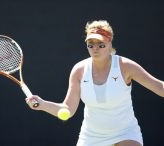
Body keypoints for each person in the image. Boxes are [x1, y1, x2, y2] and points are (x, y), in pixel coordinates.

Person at [25, 20, 164, 146]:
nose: (95, 48)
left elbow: (160, 88)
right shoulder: (79, 70)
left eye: (101, 44)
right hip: (91, 136)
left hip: (126, 133)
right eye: (90, 44)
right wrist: (42, 104)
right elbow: (68, 109)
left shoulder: (126, 66)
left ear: (110, 44)